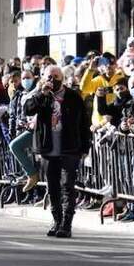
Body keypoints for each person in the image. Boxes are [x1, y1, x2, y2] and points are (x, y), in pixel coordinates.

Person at [25, 65, 91, 238]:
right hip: (49, 148)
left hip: (69, 147)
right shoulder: (41, 95)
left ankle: (66, 224)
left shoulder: (73, 97)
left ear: (62, 78)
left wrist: (85, 146)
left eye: (55, 76)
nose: (52, 80)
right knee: (52, 186)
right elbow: (28, 109)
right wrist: (42, 94)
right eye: (49, 76)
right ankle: (56, 221)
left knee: (67, 185)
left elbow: (84, 122)